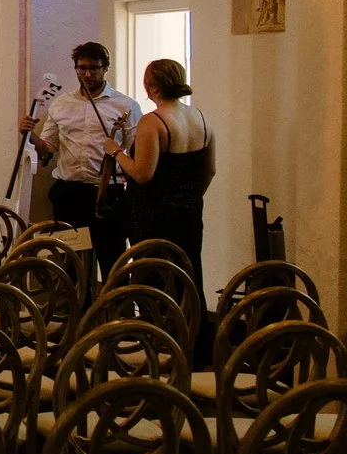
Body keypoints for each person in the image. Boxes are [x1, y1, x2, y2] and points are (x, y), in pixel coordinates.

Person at [20, 41, 140, 275]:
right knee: (71, 264)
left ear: (105, 68)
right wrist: (29, 135)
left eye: (94, 68)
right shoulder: (62, 104)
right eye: (81, 68)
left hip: (107, 193)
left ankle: (115, 308)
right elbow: (48, 149)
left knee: (112, 261)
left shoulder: (126, 105)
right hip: (70, 193)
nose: (87, 74)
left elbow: (134, 149)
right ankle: (76, 309)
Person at [115, 57, 215, 287]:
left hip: (154, 213)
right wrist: (190, 196)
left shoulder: (153, 121)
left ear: (153, 86)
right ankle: (191, 320)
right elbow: (210, 169)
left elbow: (142, 173)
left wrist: (117, 153)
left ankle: (154, 322)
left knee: (154, 273)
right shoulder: (200, 117)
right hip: (190, 210)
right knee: (188, 270)